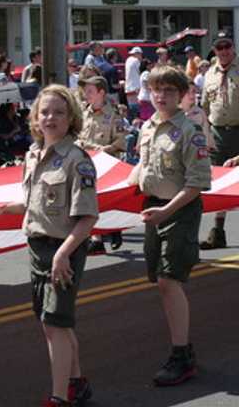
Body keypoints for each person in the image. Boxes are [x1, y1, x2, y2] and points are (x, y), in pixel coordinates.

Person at [0, 84, 98, 407]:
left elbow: (88, 217)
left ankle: (59, 397)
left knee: (54, 322)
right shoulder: (33, 155)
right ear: (35, 117)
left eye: (59, 112)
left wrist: (63, 254)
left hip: (64, 250)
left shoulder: (77, 161)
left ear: (71, 117)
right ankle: (77, 382)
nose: (50, 118)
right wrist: (3, 209)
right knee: (54, 322)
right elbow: (32, 202)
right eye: (45, 112)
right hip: (37, 249)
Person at [128, 66, 211, 386]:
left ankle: (182, 355)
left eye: (169, 91)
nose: (161, 96)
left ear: (182, 95)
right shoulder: (148, 126)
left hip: (179, 210)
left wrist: (166, 211)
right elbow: (143, 166)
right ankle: (181, 348)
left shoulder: (190, 131)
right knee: (160, 280)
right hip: (153, 209)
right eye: (156, 89)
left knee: (168, 280)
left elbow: (197, 184)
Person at [76, 76, 126, 254]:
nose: (86, 95)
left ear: (101, 93)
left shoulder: (113, 115)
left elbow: (120, 143)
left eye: (90, 91)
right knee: (89, 202)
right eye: (85, 91)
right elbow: (78, 136)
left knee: (106, 201)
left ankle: (114, 229)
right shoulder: (83, 113)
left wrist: (100, 150)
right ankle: (96, 238)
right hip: (84, 165)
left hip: (106, 165)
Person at [199, 31, 239, 250]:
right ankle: (218, 231)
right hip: (217, 134)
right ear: (214, 50)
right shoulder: (210, 74)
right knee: (219, 184)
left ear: (233, 47)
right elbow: (204, 107)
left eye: (227, 46)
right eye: (219, 47)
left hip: (238, 130)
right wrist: (206, 135)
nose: (223, 51)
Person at [182, 83, 215, 151]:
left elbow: (207, 134)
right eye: (188, 92)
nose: (192, 95)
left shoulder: (199, 112)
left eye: (193, 91)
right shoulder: (174, 114)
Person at [124, 46, 143, 120]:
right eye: (140, 55)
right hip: (136, 87)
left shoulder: (128, 60)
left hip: (128, 88)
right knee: (136, 109)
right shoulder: (136, 61)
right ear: (137, 54)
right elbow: (140, 71)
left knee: (131, 108)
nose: (141, 57)